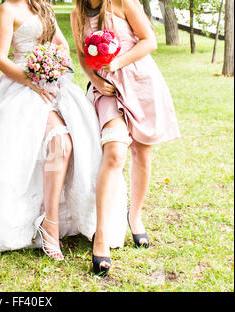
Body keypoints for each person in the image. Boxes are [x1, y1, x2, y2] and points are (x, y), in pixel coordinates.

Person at [0, 0, 127, 261]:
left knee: (70, 144)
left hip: (53, 84)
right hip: (21, 88)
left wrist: (51, 65)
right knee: (60, 142)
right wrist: (31, 78)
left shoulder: (41, 7)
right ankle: (50, 225)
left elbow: (61, 45)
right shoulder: (8, 9)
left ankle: (54, 221)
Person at [71, 0, 180, 275]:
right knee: (116, 152)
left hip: (139, 80)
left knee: (142, 153)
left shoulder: (123, 2)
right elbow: (82, 56)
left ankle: (135, 215)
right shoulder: (77, 13)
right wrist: (96, 81)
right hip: (107, 89)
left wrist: (116, 61)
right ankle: (102, 236)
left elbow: (148, 41)